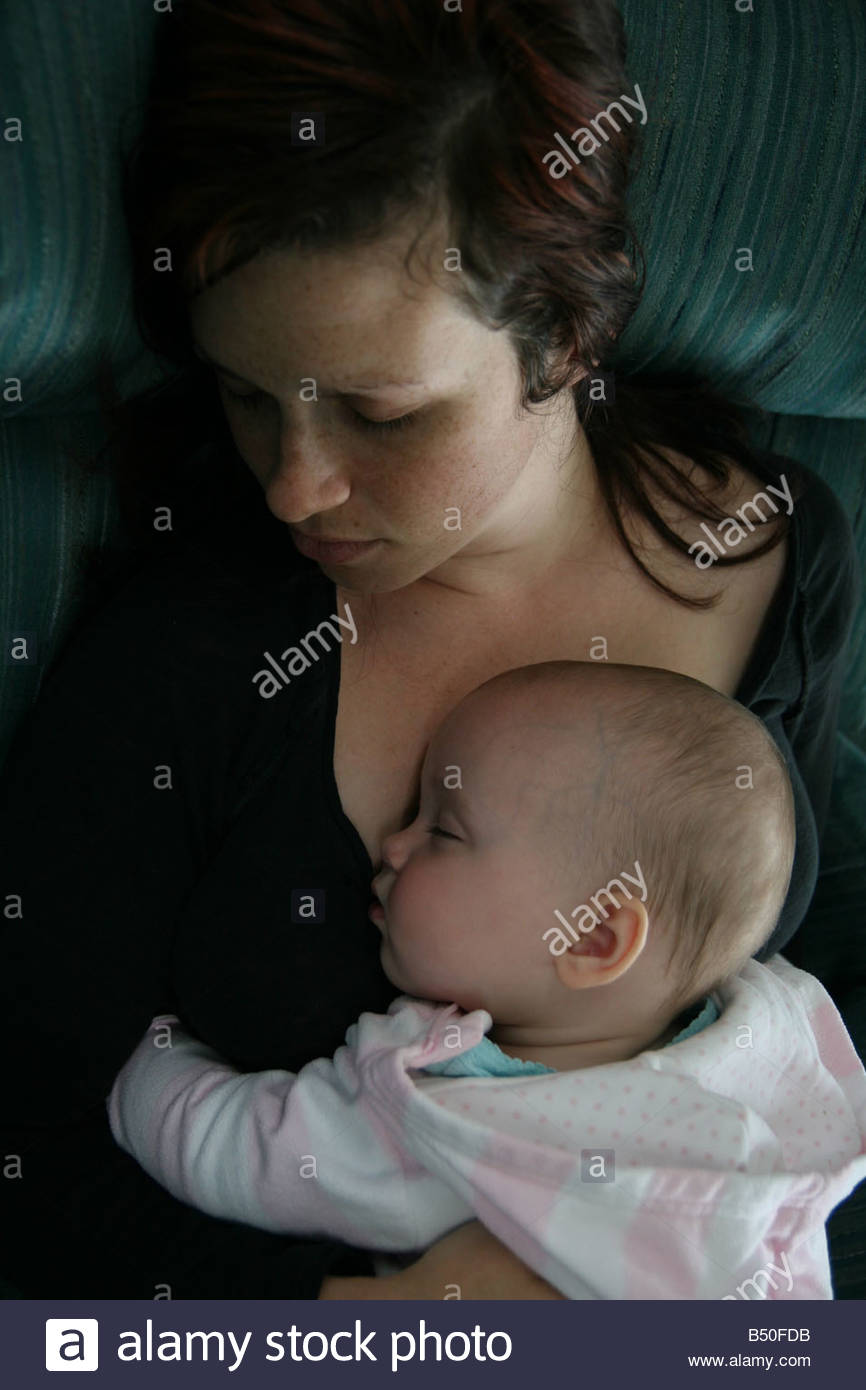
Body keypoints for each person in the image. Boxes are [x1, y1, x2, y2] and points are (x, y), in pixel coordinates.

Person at [0, 0, 858, 1298]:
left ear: (564, 336)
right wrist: (375, 1319)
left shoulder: (772, 549)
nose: (294, 489)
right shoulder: (193, 650)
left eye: (379, 413)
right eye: (245, 394)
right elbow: (30, 1151)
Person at [106, 661, 866, 1299]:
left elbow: (221, 1145)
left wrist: (145, 1051)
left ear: (595, 937)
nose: (394, 844)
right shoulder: (772, 1048)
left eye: (443, 828)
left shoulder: (446, 1118)